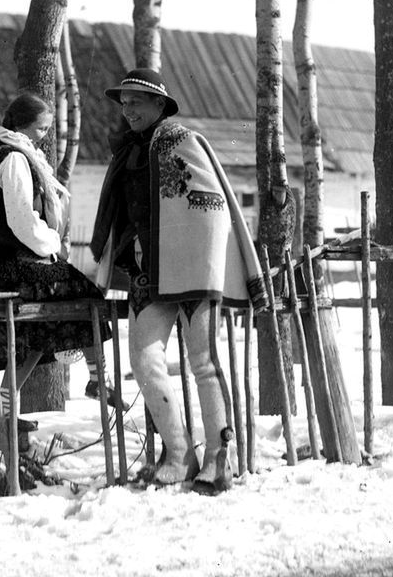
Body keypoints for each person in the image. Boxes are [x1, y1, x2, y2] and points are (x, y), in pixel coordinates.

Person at [90, 68, 267, 491]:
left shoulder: (182, 144)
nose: (127, 109)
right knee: (144, 360)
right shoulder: (127, 153)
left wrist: (199, 262)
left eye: (136, 101)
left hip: (188, 271)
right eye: (124, 102)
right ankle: (179, 451)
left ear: (159, 105)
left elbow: (211, 208)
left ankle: (218, 460)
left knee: (203, 363)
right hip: (147, 274)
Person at [0, 92, 119, 435]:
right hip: (6, 266)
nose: (45, 136)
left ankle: (1, 413)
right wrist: (53, 243)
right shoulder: (13, 158)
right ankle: (97, 378)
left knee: (35, 333)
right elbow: (21, 221)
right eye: (43, 129)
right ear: (25, 126)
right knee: (85, 292)